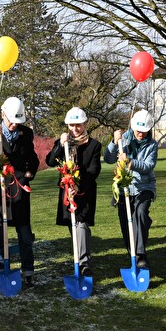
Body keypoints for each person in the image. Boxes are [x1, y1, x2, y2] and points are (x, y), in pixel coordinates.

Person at [0, 97, 40, 287]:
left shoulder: (26, 133)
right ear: (2, 114)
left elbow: (32, 157)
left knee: (24, 232)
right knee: (0, 233)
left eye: (18, 121)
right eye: (11, 121)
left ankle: (28, 271)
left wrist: (30, 173)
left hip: (19, 187)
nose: (14, 125)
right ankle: (2, 267)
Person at [45, 107, 102, 276]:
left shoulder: (94, 145)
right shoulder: (64, 142)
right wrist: (60, 146)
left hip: (85, 190)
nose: (75, 129)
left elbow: (94, 170)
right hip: (66, 192)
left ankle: (84, 263)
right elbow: (49, 161)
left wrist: (79, 186)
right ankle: (80, 254)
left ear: (85, 124)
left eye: (78, 125)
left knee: (82, 224)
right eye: (71, 125)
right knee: (73, 225)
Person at [104, 110, 157, 269]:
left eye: (144, 130)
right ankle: (131, 251)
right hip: (123, 187)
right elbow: (108, 159)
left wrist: (130, 162)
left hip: (144, 186)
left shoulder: (152, 145)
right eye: (138, 130)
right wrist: (114, 142)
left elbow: (148, 166)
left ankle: (140, 255)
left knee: (140, 214)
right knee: (127, 221)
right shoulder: (124, 139)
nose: (141, 133)